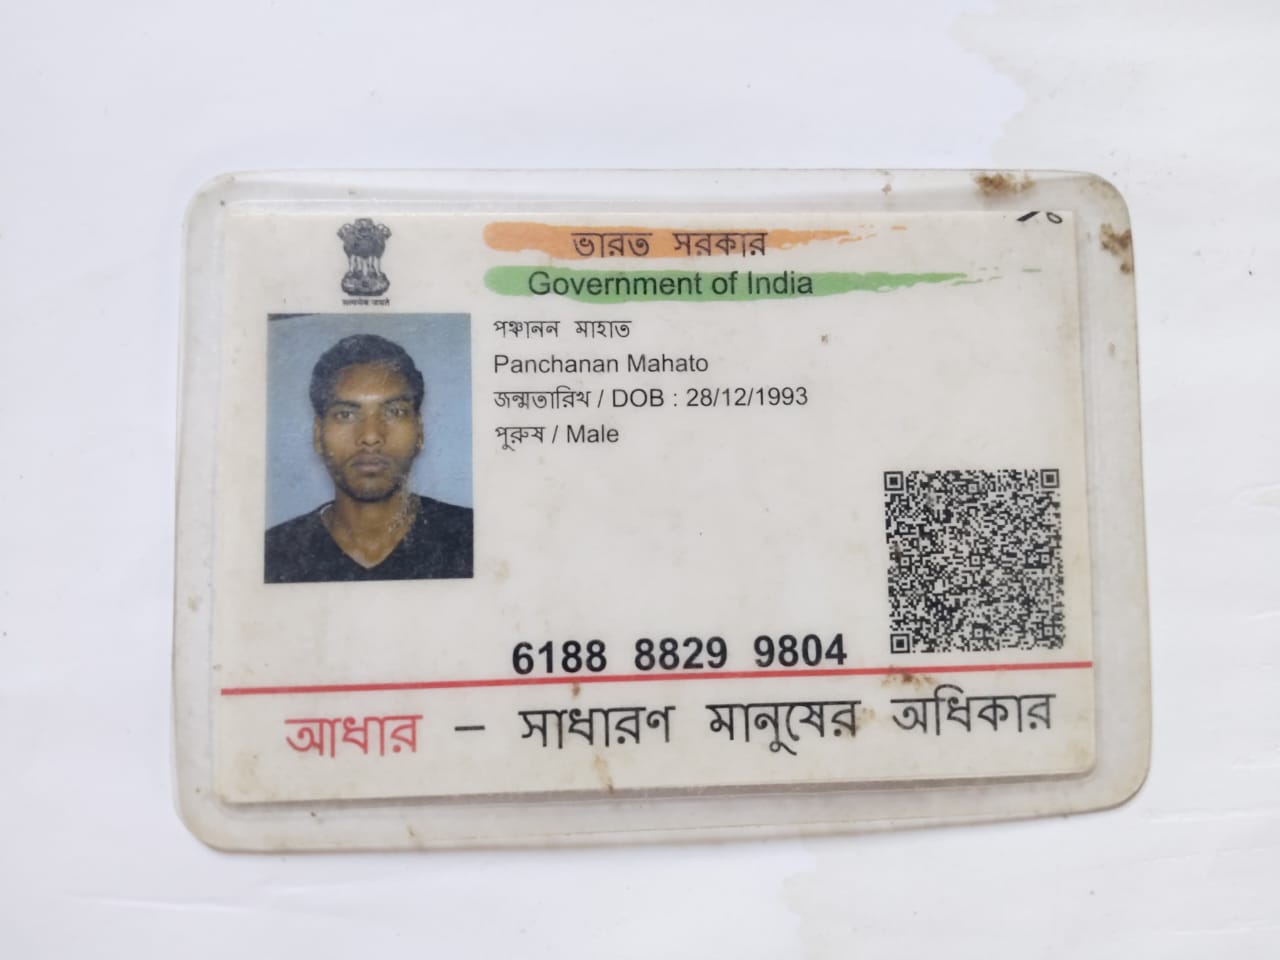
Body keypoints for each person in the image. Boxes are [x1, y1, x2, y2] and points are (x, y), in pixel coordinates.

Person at [265, 333, 473, 582]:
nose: (371, 436)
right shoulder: (273, 554)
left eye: (394, 412)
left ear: (419, 432)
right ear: (318, 435)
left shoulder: (472, 538)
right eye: (345, 415)